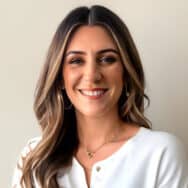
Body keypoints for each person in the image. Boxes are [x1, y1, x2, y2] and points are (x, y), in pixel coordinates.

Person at [12, 5, 188, 188]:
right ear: (60, 77)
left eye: (107, 59)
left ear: (126, 71)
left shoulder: (161, 153)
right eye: (76, 61)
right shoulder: (34, 160)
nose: (92, 75)